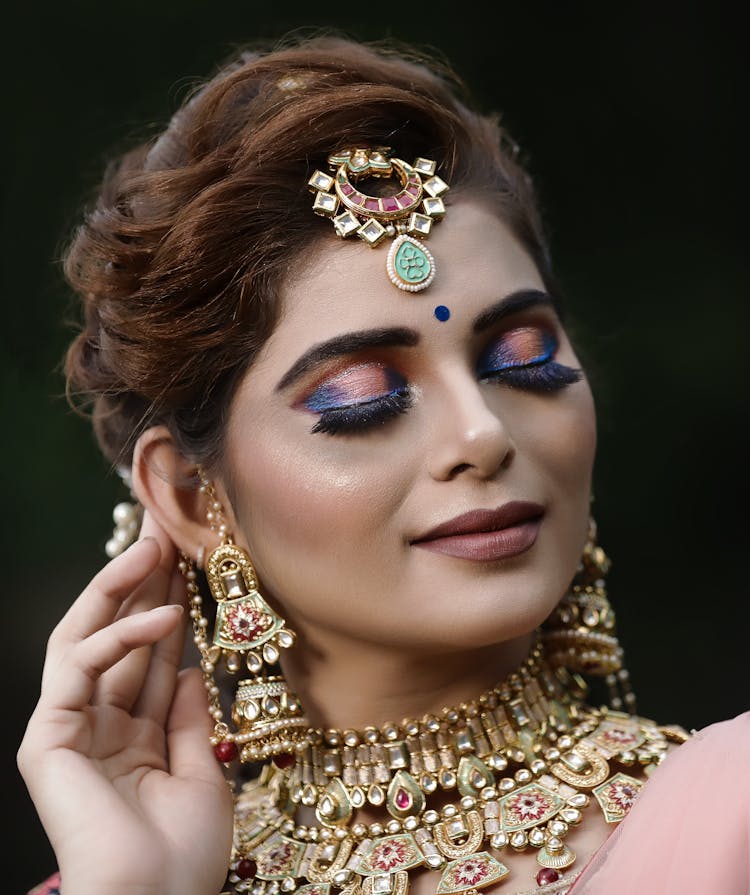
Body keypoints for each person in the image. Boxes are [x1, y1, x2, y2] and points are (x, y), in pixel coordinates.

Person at [17, 34, 749, 895]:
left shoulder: (728, 813)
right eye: (362, 396)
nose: (483, 434)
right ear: (188, 495)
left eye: (523, 356)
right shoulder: (121, 879)